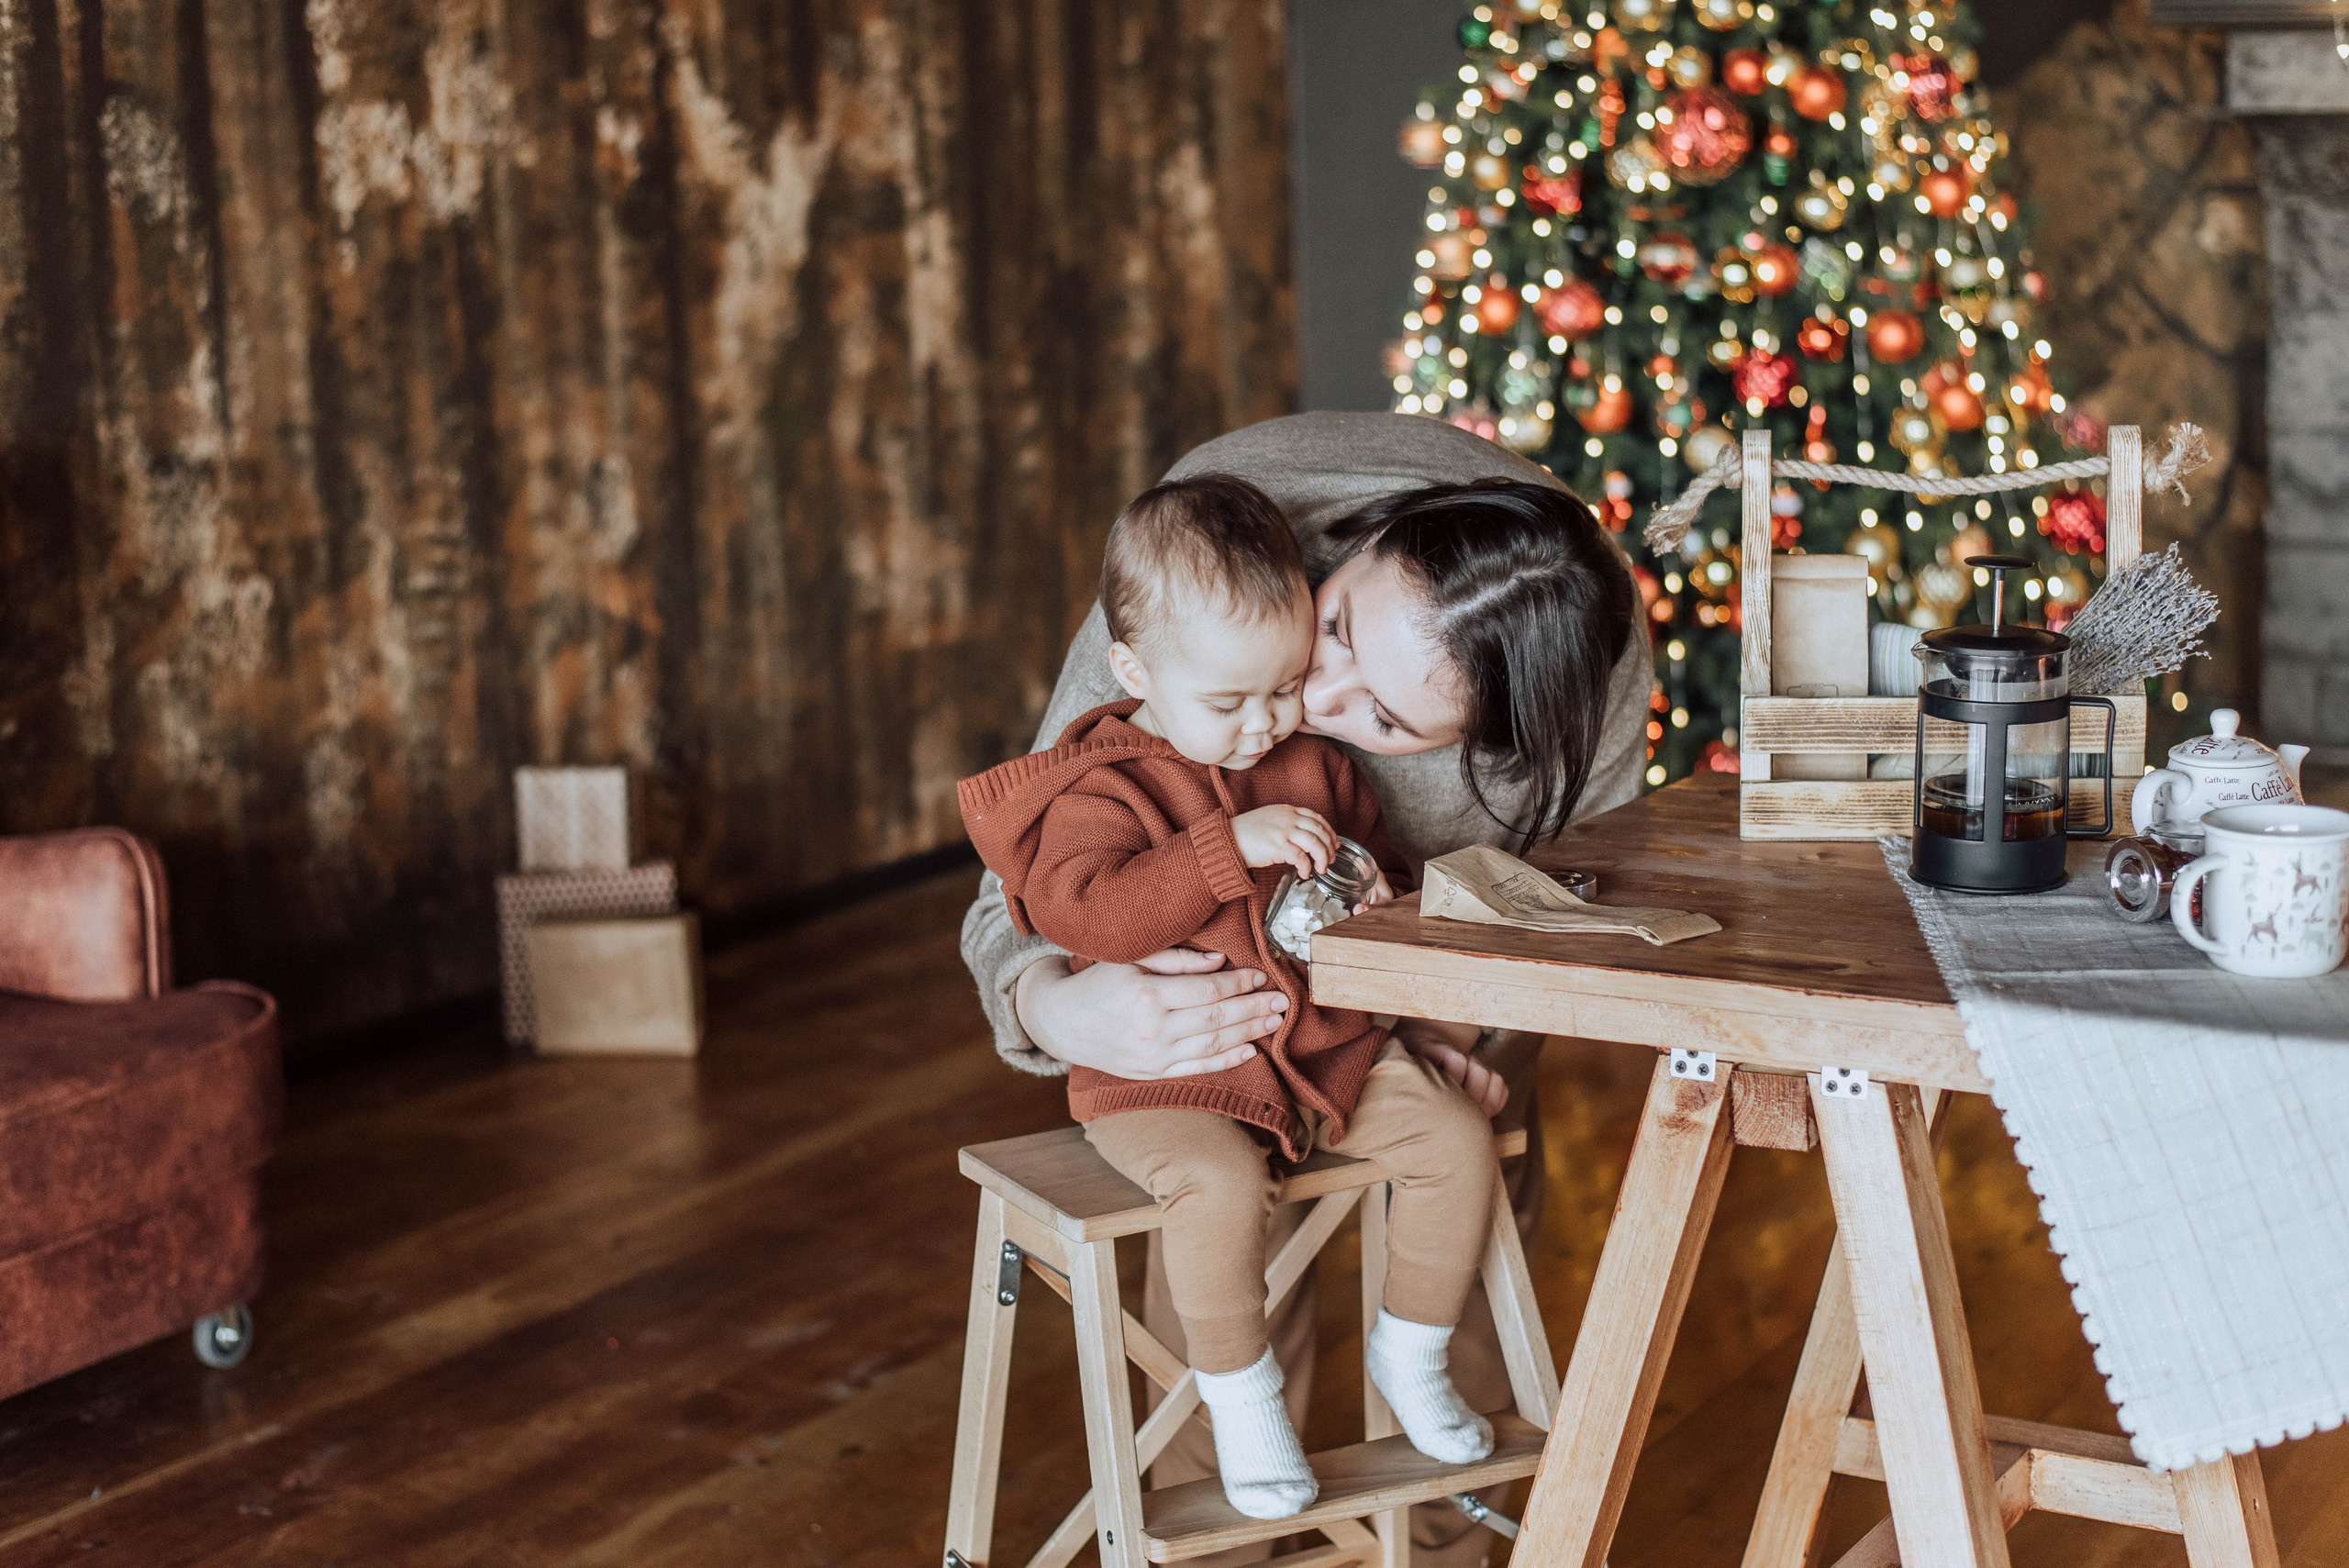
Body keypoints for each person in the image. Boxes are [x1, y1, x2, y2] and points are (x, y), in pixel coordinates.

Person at [961, 412, 1650, 1564]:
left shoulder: (1587, 682)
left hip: (1438, 958)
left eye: (1387, 719)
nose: (1308, 705)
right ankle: (1223, 1534)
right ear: (1358, 541)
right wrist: (1050, 1004)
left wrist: (1447, 1009)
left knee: (1464, 1194)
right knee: (1225, 1226)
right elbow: (1027, 880)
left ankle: (1450, 1536)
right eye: (1331, 627)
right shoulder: (1211, 553)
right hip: (1210, 1022)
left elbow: (1568, 904)